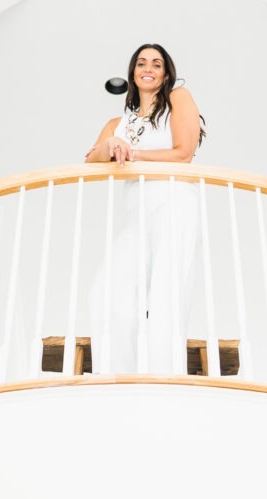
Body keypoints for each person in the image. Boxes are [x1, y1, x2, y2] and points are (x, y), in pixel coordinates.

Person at [84, 43, 205, 374]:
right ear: (132, 73)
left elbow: (183, 153)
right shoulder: (117, 123)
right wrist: (111, 145)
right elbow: (91, 159)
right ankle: (118, 376)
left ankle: (164, 376)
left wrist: (133, 155)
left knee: (168, 290)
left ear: (166, 73)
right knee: (105, 291)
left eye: (156, 63)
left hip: (174, 199)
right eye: (141, 63)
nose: (148, 68)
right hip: (137, 214)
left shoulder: (178, 99)